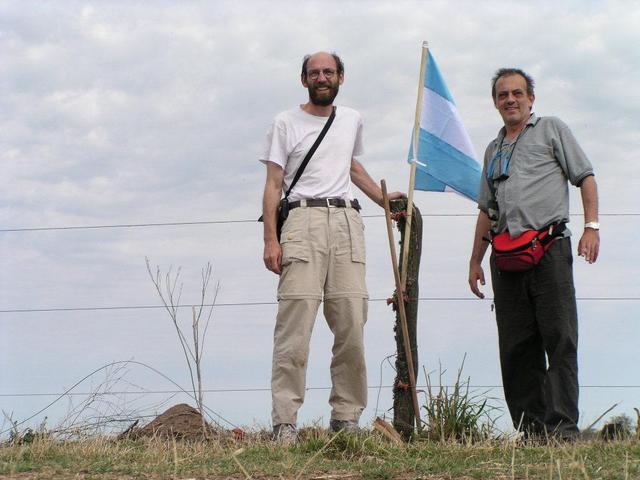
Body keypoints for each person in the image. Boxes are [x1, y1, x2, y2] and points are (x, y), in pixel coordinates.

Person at [260, 51, 404, 441]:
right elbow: (274, 184)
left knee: (352, 324)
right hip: (301, 222)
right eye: (314, 73)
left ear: (341, 76)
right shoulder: (285, 122)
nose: (321, 77)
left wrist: (383, 200)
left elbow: (351, 168)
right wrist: (271, 239)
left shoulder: (351, 119)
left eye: (328, 71)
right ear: (303, 79)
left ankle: (346, 418)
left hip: (346, 222)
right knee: (294, 327)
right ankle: (285, 421)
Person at [468, 68, 600, 441]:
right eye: (502, 95)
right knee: (515, 345)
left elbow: (585, 176)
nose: (510, 99)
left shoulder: (552, 129)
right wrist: (474, 261)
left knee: (559, 338)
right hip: (505, 258)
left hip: (549, 249)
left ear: (531, 98)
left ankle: (563, 430)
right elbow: (486, 209)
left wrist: (592, 227)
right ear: (495, 102)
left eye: (517, 93)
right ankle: (533, 431)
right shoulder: (493, 150)